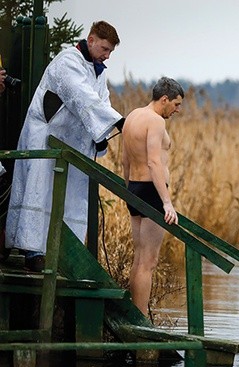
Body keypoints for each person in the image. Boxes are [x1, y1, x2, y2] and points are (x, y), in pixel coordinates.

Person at [5, 21, 124, 272]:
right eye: (104, 49)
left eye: (110, 52)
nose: (106, 55)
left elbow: (101, 100)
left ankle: (61, 253)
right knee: (41, 193)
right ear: (91, 40)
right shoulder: (67, 61)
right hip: (46, 138)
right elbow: (80, 96)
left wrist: (101, 135)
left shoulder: (97, 71)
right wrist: (117, 121)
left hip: (71, 145)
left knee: (68, 198)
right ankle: (33, 251)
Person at [122, 77, 183, 317]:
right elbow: (154, 161)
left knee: (139, 259)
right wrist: (166, 202)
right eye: (176, 104)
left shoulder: (132, 117)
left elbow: (125, 160)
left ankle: (136, 313)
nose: (178, 110)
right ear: (164, 99)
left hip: (135, 189)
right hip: (152, 192)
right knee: (149, 261)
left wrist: (128, 192)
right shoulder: (156, 121)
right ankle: (142, 318)